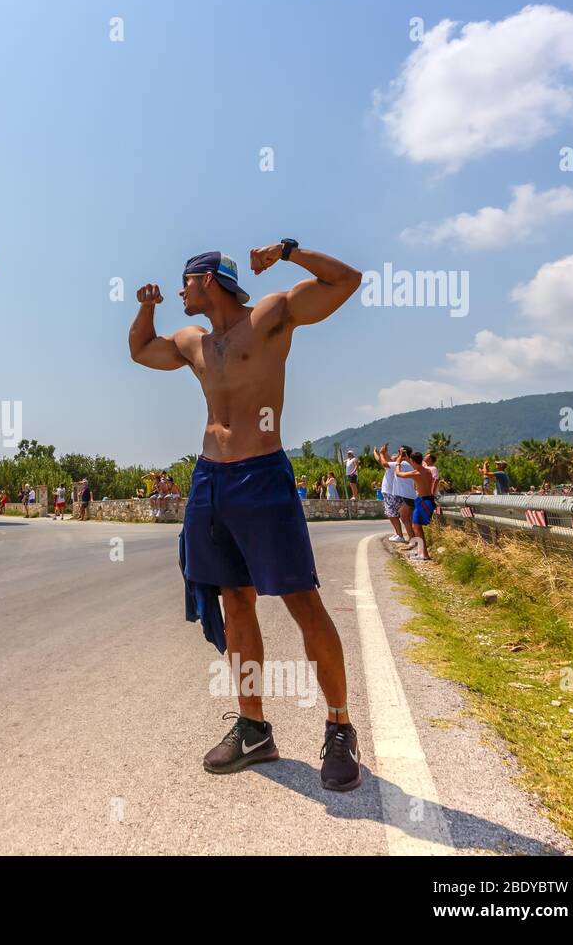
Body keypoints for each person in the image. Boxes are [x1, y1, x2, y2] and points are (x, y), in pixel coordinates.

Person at [131, 241, 364, 791]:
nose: (180, 292)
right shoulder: (193, 341)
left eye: (184, 283)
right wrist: (145, 307)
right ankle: (254, 726)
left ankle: (339, 727)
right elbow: (142, 351)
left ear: (207, 280)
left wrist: (288, 252)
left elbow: (346, 281)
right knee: (235, 601)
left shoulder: (271, 317)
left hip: (262, 475)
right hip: (211, 481)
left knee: (302, 600)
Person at [395, 451, 436, 561]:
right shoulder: (427, 471)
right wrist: (407, 458)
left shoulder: (416, 473)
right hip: (427, 500)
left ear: (413, 461)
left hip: (423, 501)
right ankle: (422, 552)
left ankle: (424, 553)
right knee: (416, 526)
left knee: (417, 527)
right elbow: (417, 465)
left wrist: (398, 462)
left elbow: (398, 474)